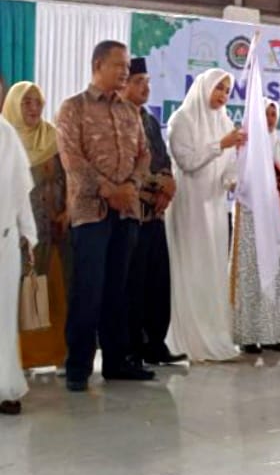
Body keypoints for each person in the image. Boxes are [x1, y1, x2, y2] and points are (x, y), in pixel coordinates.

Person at [57, 41, 155, 390]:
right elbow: (71, 159)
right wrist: (108, 190)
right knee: (89, 289)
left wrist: (130, 186)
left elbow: (144, 156)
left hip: (126, 211)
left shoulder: (130, 112)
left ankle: (116, 362)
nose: (126, 71)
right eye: (120, 65)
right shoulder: (73, 108)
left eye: (127, 66)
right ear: (98, 64)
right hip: (90, 212)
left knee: (118, 290)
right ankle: (78, 367)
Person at [166, 68, 245, 362]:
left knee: (211, 267)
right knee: (191, 265)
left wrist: (231, 179)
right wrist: (220, 145)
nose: (223, 95)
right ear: (204, 88)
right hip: (189, 204)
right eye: (219, 88)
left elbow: (230, 164)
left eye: (227, 90)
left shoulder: (224, 121)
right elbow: (187, 161)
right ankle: (188, 338)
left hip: (214, 206)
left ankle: (213, 334)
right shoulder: (181, 119)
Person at [118, 58, 186, 368]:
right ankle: (131, 347)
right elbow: (125, 165)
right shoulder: (117, 117)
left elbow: (163, 159)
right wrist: (155, 187)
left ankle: (155, 344)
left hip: (155, 214)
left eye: (147, 81)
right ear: (124, 84)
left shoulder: (148, 118)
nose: (145, 87)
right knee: (131, 283)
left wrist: (168, 187)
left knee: (157, 280)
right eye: (138, 81)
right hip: (129, 213)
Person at [2, 81, 70, 371]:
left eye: (37, 102)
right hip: (15, 232)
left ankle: (52, 355)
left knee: (52, 293)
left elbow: (70, 177)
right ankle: (18, 360)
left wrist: (68, 209)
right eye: (26, 102)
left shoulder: (54, 137)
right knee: (17, 296)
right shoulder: (7, 139)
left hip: (53, 229)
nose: (33, 108)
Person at [231, 98, 280, 353]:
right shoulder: (245, 147)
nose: (271, 117)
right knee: (252, 274)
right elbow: (236, 180)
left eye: (274, 113)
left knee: (278, 273)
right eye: (266, 113)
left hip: (279, 219)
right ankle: (249, 336)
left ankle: (273, 335)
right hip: (252, 219)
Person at [1, 92, 37, 414]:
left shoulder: (7, 134)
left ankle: (5, 386)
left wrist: (29, 234)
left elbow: (21, 190)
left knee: (4, 318)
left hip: (5, 241)